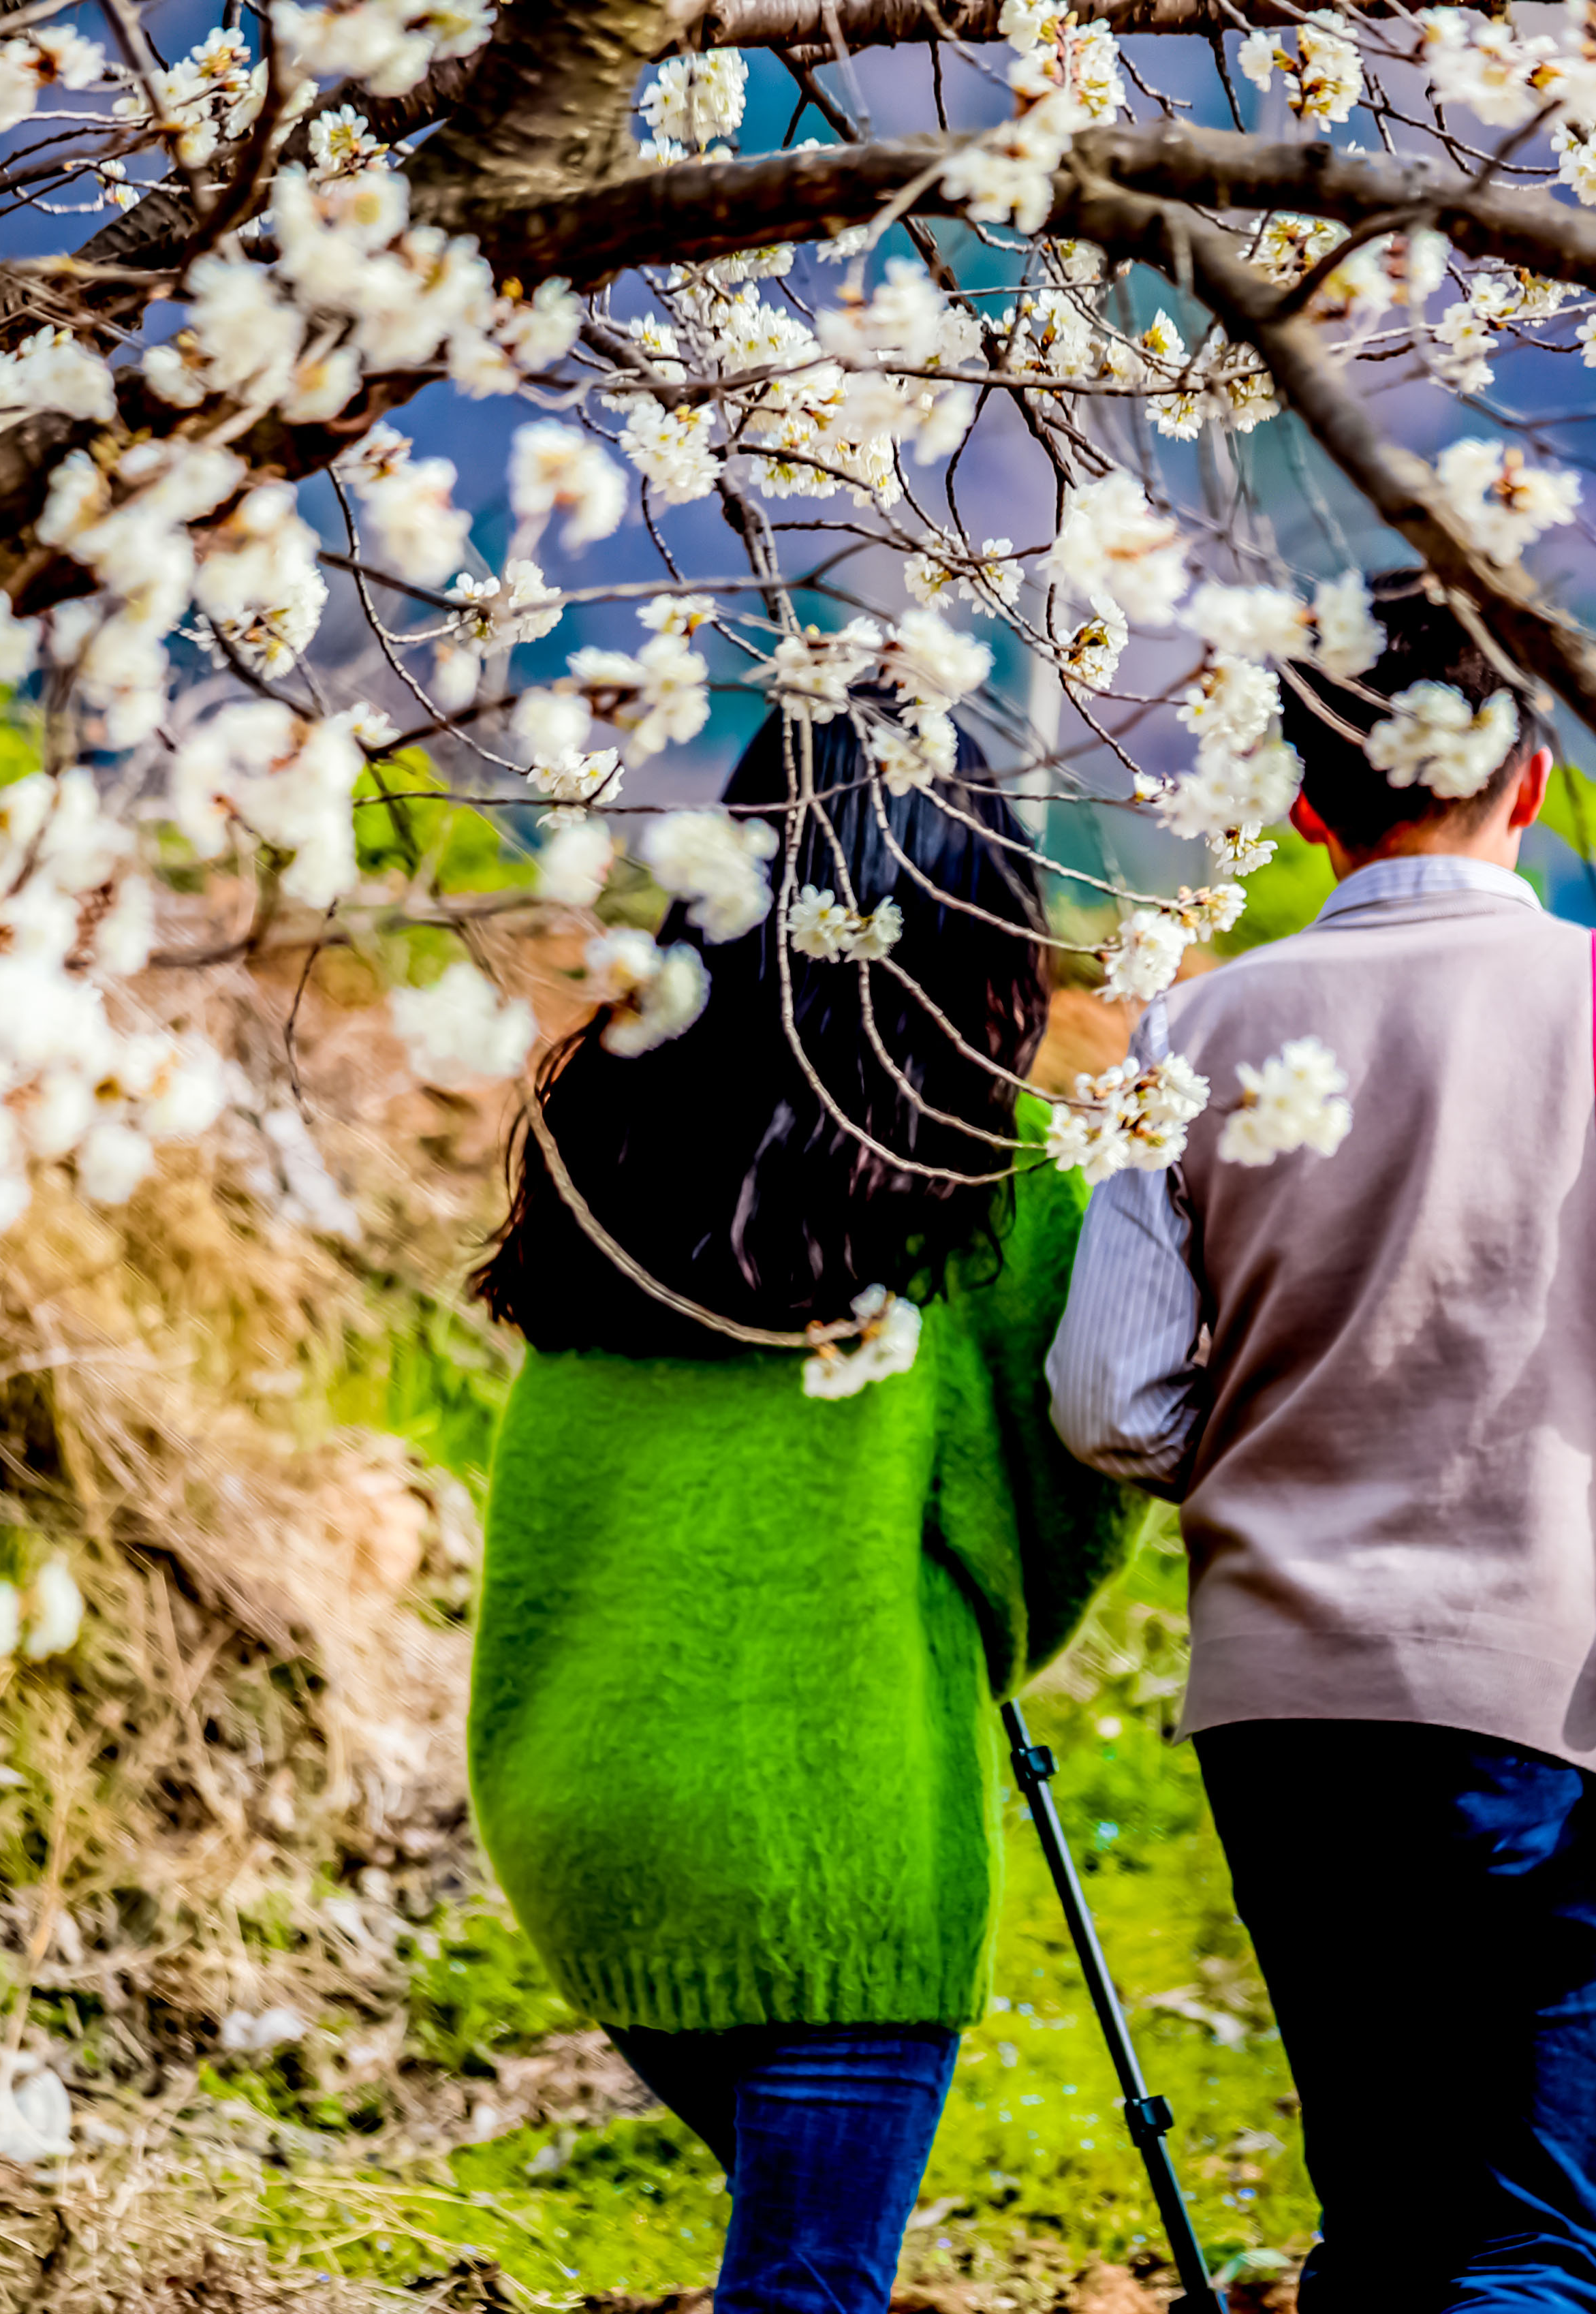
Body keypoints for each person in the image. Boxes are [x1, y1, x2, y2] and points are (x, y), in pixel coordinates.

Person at [1048, 578, 1596, 2309]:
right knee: (1537, 2240)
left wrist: (1289, 1436)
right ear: (1529, 779)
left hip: (1281, 1710)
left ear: (1304, 800)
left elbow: (1111, 1401)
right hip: (1541, 1697)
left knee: (1387, 2225)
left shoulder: (1191, 1033)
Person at [467, 705, 1140, 2313]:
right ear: (991, 931)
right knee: (809, 2287)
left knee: (797, 2256)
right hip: (827, 1844)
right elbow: (1067, 1505)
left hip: (582, 1813)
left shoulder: (607, 1134)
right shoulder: (1006, 1181)